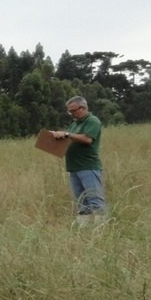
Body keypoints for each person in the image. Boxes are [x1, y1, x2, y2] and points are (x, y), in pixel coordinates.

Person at [52, 95, 107, 226]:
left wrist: (66, 134)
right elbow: (70, 139)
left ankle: (101, 230)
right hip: (74, 167)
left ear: (83, 108)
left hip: (88, 166)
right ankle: (84, 229)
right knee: (82, 201)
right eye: (69, 111)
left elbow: (87, 139)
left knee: (95, 200)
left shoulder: (92, 121)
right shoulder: (75, 124)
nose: (72, 114)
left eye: (73, 111)